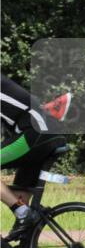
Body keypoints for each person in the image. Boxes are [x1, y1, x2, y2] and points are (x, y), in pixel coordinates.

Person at [1, 74, 68, 236]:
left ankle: (23, 213)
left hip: (36, 134)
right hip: (46, 134)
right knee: (20, 193)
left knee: (22, 211)